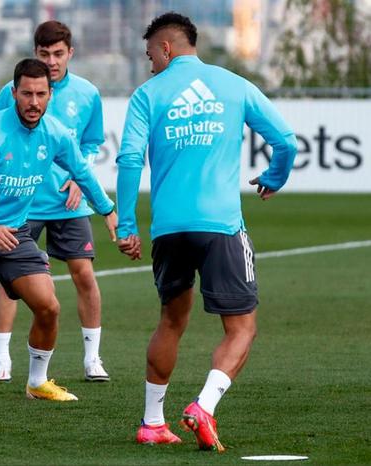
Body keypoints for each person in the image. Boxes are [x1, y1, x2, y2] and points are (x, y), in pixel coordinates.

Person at [116, 12, 297, 450]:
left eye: (150, 56)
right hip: (220, 226)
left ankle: (152, 423)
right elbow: (286, 141)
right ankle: (204, 406)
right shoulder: (233, 84)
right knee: (241, 328)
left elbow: (127, 161)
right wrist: (274, 176)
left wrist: (125, 224)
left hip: (168, 230)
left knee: (171, 322)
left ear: (166, 49)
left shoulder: (147, 95)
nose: (151, 65)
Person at [0, 58, 117, 402]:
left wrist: (108, 210)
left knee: (48, 306)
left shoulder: (55, 134)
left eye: (41, 94)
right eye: (26, 93)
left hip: (14, 234)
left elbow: (82, 173)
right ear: (13, 93)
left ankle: (37, 382)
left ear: (50, 95)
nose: (33, 102)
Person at [0, 21, 110, 382]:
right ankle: (1, 360)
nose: (52, 61)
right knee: (10, 281)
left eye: (58, 54)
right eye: (44, 54)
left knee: (83, 273)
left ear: (70, 53)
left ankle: (92, 359)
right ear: (35, 53)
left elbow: (90, 144)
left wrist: (78, 177)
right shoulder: (10, 92)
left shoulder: (88, 93)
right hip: (19, 202)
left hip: (67, 202)